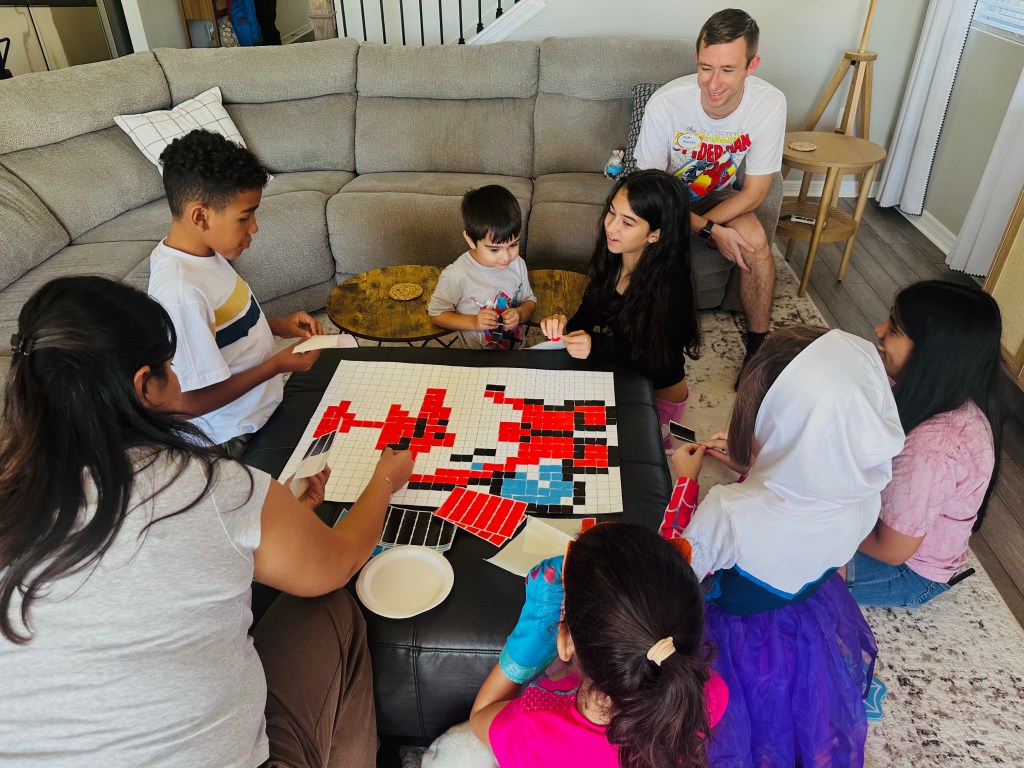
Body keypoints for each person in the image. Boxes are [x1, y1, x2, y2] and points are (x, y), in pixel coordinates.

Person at [0, 276, 414, 767]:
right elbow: (337, 561)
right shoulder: (208, 485)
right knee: (330, 607)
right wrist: (385, 480)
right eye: (169, 367)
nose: (177, 377)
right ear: (143, 386)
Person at [661, 326, 905, 767]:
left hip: (736, 638)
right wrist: (756, 463)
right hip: (806, 621)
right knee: (789, 709)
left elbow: (671, 569)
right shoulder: (866, 492)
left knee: (731, 723)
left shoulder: (730, 509)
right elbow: (806, 491)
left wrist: (686, 480)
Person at [466, 522, 728, 768]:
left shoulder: (530, 727)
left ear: (566, 642)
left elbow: (480, 718)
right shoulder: (707, 695)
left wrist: (531, 632)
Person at [148, 128, 323, 455]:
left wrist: (278, 325)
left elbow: (222, 325)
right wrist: (276, 365)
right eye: (245, 217)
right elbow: (185, 404)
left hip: (258, 411)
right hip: (231, 436)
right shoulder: (180, 292)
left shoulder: (205, 252)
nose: (254, 227)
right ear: (200, 216)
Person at [634, 8, 785, 381]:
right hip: (665, 196)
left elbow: (754, 193)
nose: (713, 83)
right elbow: (650, 192)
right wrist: (707, 232)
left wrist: (702, 225)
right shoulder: (667, 103)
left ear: (752, 65)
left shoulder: (769, 104)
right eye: (705, 67)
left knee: (755, 241)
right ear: (697, 60)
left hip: (718, 196)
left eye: (728, 70)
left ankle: (757, 346)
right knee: (641, 242)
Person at [848, 280, 1002, 607]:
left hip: (906, 570)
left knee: (779, 562)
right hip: (886, 522)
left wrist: (818, 519)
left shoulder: (935, 446)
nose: (878, 329)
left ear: (932, 355)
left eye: (895, 329)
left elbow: (891, 550)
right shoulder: (933, 388)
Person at [540, 169, 700, 445]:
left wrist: (597, 345)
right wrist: (562, 327)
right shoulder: (614, 255)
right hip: (622, 376)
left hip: (657, 396)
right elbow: (587, 317)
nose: (611, 227)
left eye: (628, 222)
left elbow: (658, 361)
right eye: (611, 212)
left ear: (655, 235)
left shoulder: (673, 286)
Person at [427, 185, 537, 350]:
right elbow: (436, 314)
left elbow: (529, 301)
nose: (507, 257)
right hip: (477, 361)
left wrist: (520, 314)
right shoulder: (456, 275)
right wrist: (473, 322)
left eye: (514, 244)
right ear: (471, 240)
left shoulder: (518, 263)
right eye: (494, 249)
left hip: (518, 353)